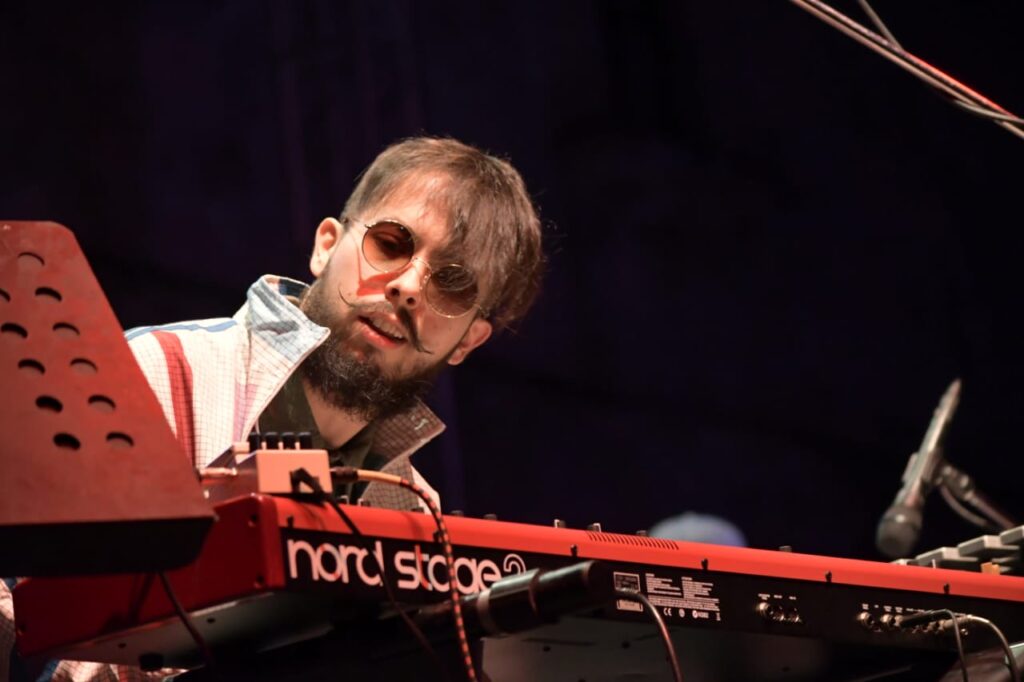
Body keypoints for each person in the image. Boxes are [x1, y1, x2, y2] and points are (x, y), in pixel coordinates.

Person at [1, 136, 545, 681]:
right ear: (326, 246)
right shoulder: (145, 377)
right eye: (390, 243)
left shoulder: (416, 514)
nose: (408, 288)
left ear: (468, 340)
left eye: (452, 282)